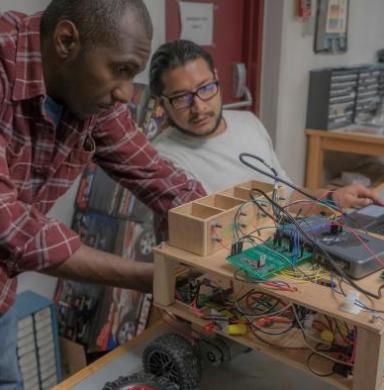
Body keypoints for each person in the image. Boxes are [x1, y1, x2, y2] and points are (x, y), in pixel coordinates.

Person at [0, 2, 205, 387]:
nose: (127, 94)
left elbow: (158, 177)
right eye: (121, 70)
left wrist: (218, 230)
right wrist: (156, 277)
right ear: (66, 41)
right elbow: (13, 227)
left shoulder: (89, 94)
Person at [150, 39, 384, 209]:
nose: (199, 107)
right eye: (182, 98)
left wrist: (333, 198)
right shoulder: (162, 159)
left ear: (217, 78)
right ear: (162, 103)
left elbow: (287, 197)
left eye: (206, 88)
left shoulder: (248, 123)